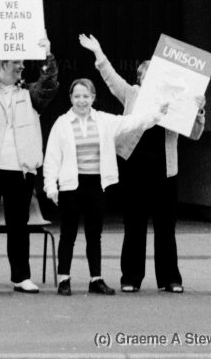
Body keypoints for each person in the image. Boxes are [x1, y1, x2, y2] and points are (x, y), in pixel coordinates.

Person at [79, 33, 206, 294]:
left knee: (166, 226)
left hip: (165, 170)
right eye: (149, 75)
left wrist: (198, 111)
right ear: (141, 79)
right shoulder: (133, 95)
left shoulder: (176, 99)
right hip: (134, 168)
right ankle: (131, 277)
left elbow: (194, 134)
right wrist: (99, 53)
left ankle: (170, 278)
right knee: (134, 223)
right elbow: (111, 79)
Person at [44, 78, 165, 296]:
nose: (81, 100)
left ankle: (95, 279)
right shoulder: (62, 123)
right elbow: (52, 156)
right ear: (70, 98)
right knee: (67, 234)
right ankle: (64, 279)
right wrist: (50, 185)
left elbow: (132, 122)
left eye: (86, 96)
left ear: (93, 98)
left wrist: (157, 113)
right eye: (77, 96)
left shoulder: (103, 121)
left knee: (94, 234)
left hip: (95, 184)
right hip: (71, 185)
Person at [0, 29, 58, 295]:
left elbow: (49, 85)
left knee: (19, 224)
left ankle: (21, 277)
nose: (21, 67)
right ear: (3, 64)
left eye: (23, 64)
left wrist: (48, 55)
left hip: (21, 168)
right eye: (17, 63)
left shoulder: (30, 93)